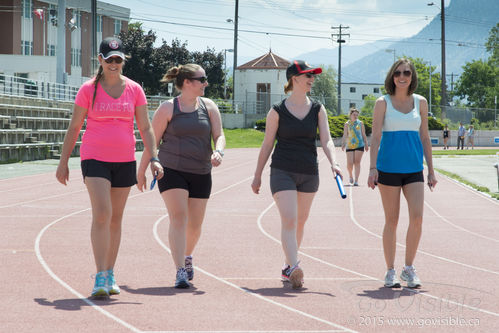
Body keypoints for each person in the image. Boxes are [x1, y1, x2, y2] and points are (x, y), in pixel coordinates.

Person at [56, 37, 163, 298]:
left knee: (116, 218)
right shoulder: (87, 90)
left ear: (123, 61)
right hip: (94, 157)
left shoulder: (135, 90)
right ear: (100, 60)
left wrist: (154, 158)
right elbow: (74, 127)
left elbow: (146, 127)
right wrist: (63, 163)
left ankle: (110, 272)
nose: (114, 64)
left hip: (124, 158)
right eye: (109, 59)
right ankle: (100, 275)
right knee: (102, 213)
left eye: (118, 59)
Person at [251, 60, 342, 289]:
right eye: (308, 75)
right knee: (290, 219)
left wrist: (334, 163)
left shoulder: (318, 109)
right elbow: (267, 144)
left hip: (309, 171)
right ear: (294, 79)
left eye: (313, 75)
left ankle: (287, 265)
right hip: (282, 170)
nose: (312, 79)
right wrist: (257, 175)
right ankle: (294, 266)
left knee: (300, 222)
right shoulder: (277, 111)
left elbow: (327, 139)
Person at [137, 64, 225, 289]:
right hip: (171, 169)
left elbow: (220, 135)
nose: (206, 83)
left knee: (195, 225)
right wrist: (141, 170)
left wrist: (219, 150)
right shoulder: (168, 108)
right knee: (179, 216)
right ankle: (179, 271)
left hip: (201, 171)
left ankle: (186, 256)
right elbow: (152, 141)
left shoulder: (210, 107)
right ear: (187, 82)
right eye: (202, 79)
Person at [367, 58, 437, 289]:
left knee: (417, 217)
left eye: (406, 72)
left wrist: (431, 171)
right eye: (397, 72)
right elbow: (375, 137)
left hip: (414, 169)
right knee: (392, 220)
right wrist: (372, 168)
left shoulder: (421, 102)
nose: (402, 76)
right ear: (392, 76)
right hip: (388, 169)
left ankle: (408, 269)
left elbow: (425, 137)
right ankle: (390, 271)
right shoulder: (382, 103)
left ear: (412, 75)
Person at [341, 108, 369, 186]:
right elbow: (345, 135)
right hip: (349, 145)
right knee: (349, 163)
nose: (356, 116)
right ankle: (350, 176)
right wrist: (343, 143)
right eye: (354, 114)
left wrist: (366, 143)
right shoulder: (347, 124)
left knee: (357, 162)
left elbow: (363, 134)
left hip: (359, 144)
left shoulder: (360, 123)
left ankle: (356, 180)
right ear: (350, 115)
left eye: (357, 115)